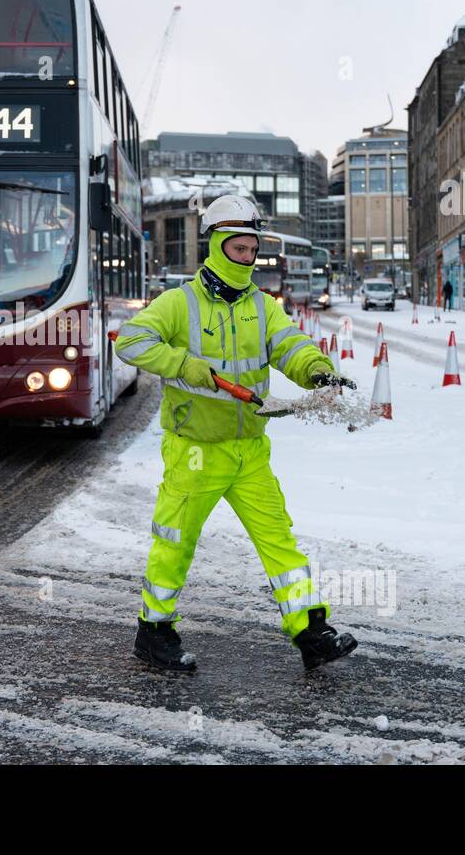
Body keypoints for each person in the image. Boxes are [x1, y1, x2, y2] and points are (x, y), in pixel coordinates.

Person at [114, 195, 360, 673]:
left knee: (279, 541)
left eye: (253, 250)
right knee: (175, 540)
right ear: (218, 246)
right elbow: (130, 341)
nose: (248, 259)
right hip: (194, 451)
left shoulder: (262, 307)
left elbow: (292, 346)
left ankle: (310, 632)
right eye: (240, 249)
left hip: (249, 451)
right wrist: (185, 365)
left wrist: (318, 372)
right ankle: (154, 631)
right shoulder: (178, 303)